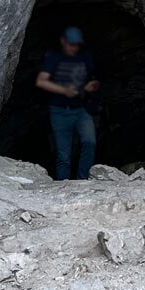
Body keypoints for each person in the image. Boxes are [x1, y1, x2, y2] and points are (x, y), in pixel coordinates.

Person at [36, 25, 100, 180]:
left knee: (89, 142)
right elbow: (41, 81)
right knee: (63, 154)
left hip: (81, 109)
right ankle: (63, 185)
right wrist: (64, 90)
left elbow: (93, 79)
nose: (75, 47)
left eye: (77, 44)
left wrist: (91, 86)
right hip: (59, 111)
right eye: (72, 44)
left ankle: (83, 180)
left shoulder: (85, 57)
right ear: (63, 41)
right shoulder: (54, 58)